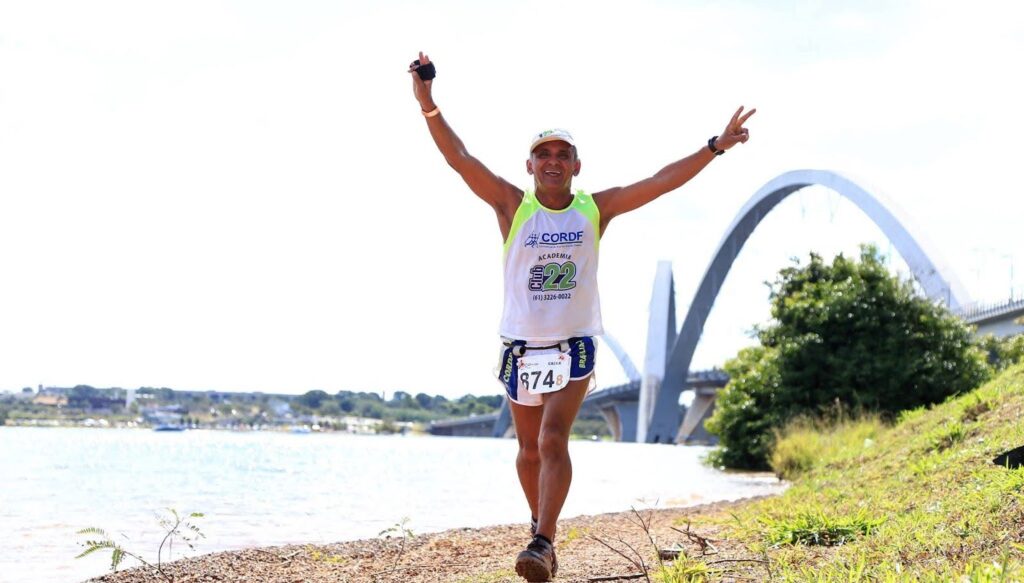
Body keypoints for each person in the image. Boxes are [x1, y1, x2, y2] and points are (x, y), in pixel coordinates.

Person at [409, 51, 754, 582]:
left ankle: (544, 543)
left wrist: (715, 146)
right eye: (542, 154)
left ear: (576, 165)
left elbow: (661, 181)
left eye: (562, 153)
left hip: (573, 343)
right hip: (521, 347)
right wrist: (428, 103)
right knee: (526, 450)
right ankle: (539, 525)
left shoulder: (595, 208)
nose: (552, 160)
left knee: (552, 439)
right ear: (529, 167)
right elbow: (460, 158)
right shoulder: (510, 205)